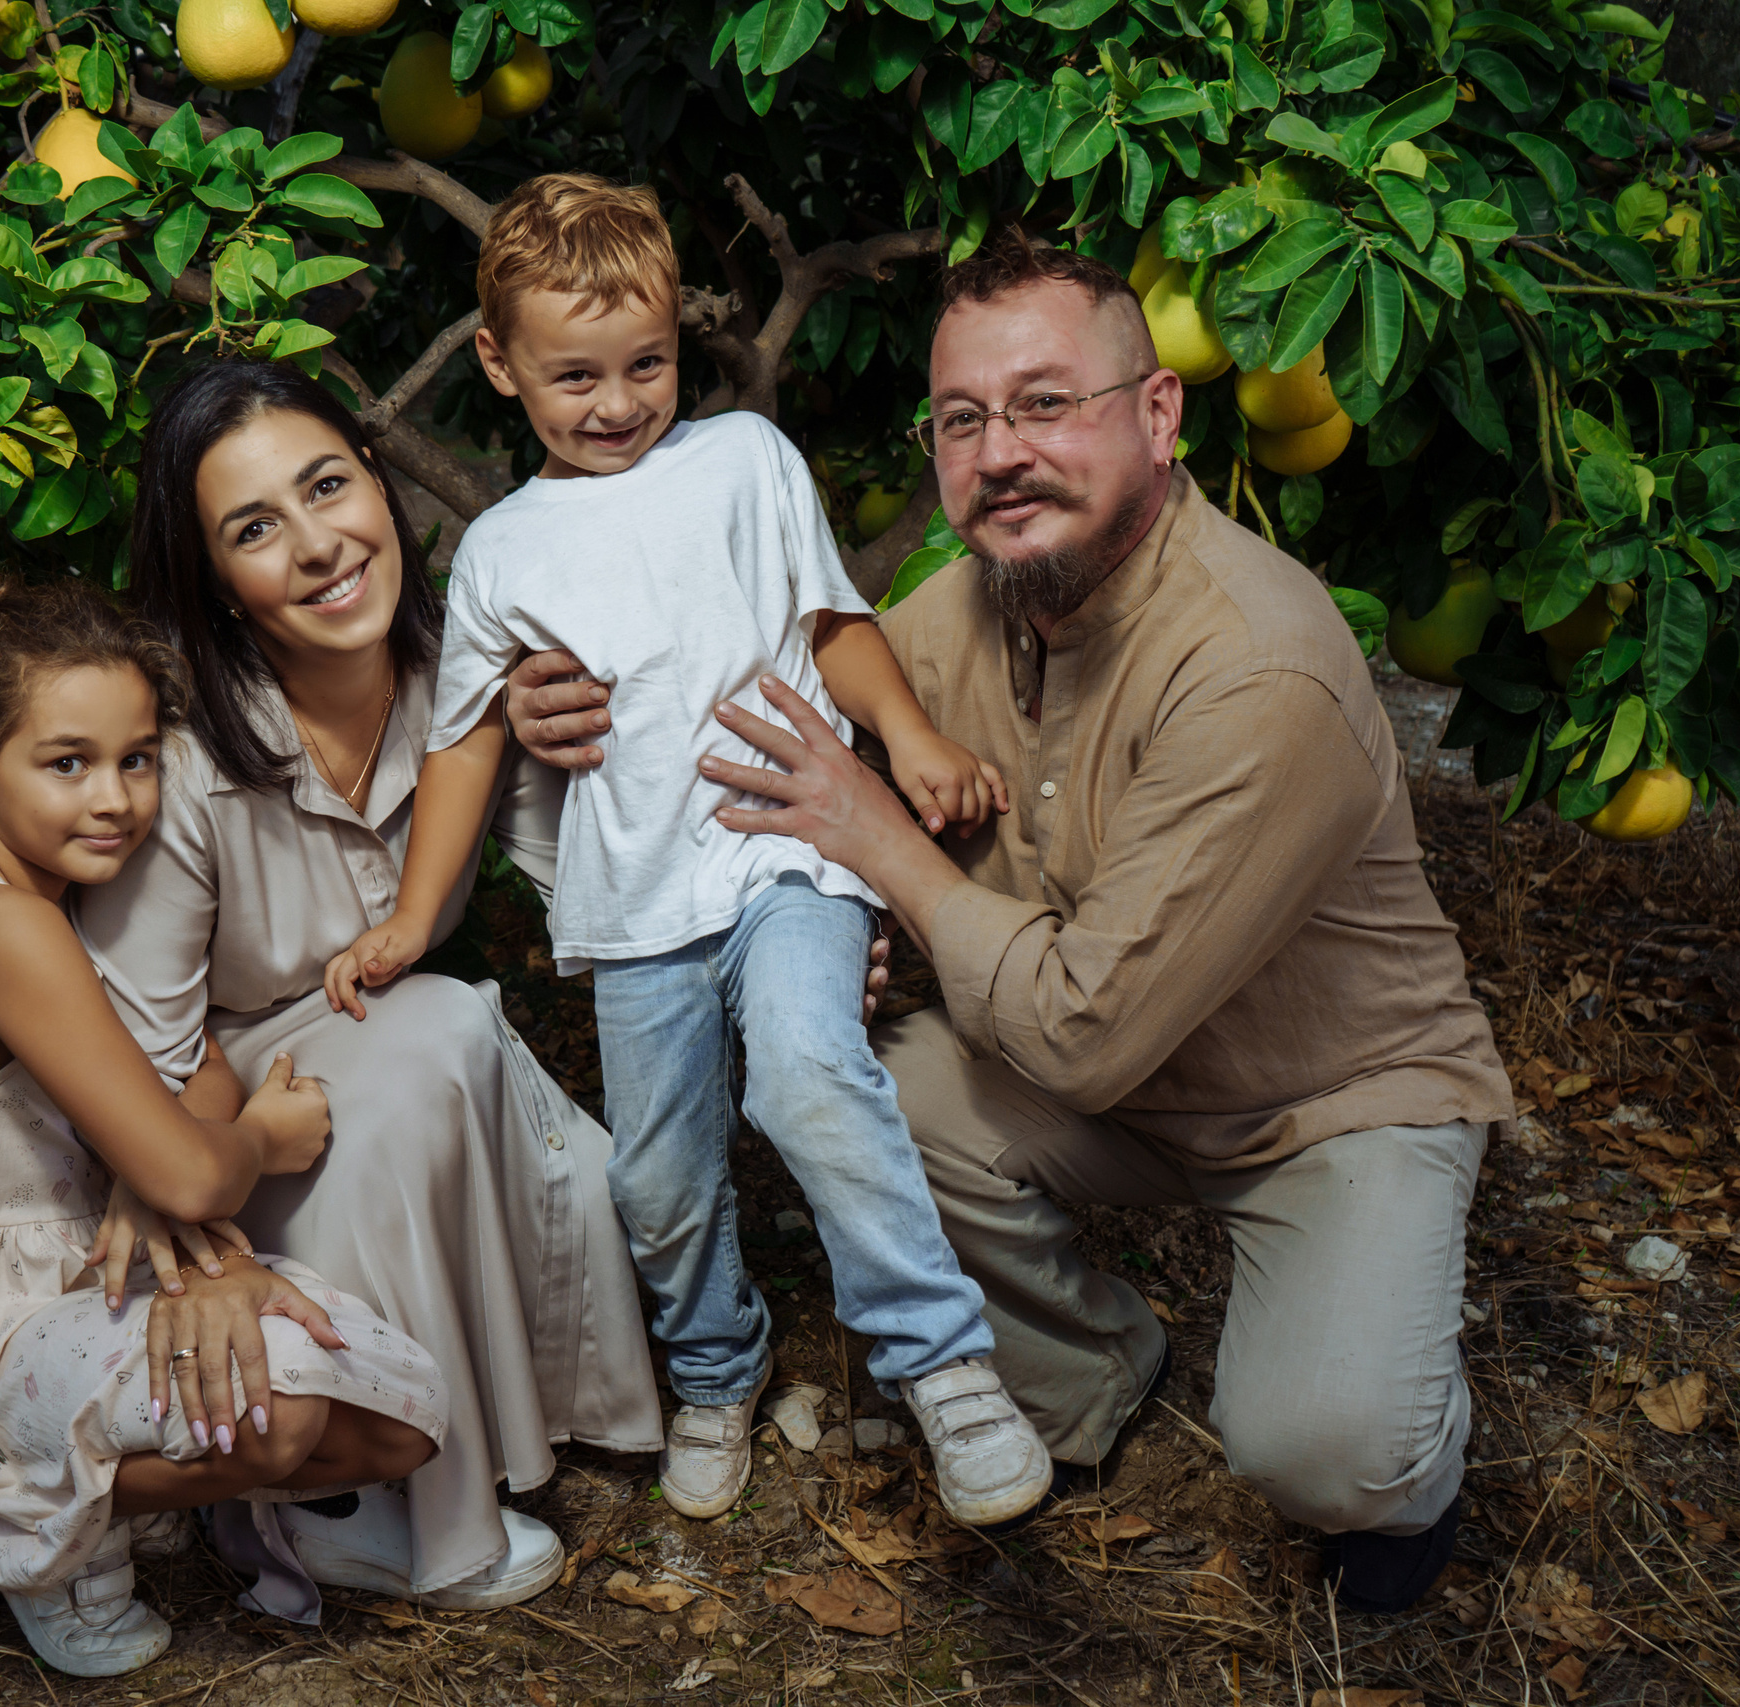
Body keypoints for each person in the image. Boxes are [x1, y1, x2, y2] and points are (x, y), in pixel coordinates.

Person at [508, 228, 1516, 1613]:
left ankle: (1404, 1467)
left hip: (1325, 1098)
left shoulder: (1257, 665)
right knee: (853, 1081)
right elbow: (730, 692)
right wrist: (546, 708)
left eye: (1048, 403)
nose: (1001, 452)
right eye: (965, 418)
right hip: (1099, 1078)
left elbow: (1084, 1029)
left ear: (1159, 417)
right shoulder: (962, 612)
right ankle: (1097, 1369)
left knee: (1326, 1448)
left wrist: (879, 850)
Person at [324, 173, 1053, 1530]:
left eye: (646, 364)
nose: (616, 403)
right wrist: (415, 918)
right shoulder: (499, 551)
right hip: (638, 904)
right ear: (497, 362)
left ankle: (943, 1361)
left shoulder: (743, 462)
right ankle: (718, 1362)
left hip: (786, 858)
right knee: (655, 1175)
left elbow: (835, 617)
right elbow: (468, 744)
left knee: (808, 1071)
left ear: (681, 342)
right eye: (575, 376)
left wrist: (910, 740)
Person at [72, 359, 667, 1611]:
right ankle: (341, 1512)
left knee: (492, 1081)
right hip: (204, 1099)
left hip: (388, 1066)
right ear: (216, 585)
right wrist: (204, 1238)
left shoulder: (466, 681)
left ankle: (475, 1443)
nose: (316, 546)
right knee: (430, 1039)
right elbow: (136, 1038)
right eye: (253, 529)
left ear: (381, 490)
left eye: (327, 486)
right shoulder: (179, 756)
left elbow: (612, 890)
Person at [0, 575, 444, 1679]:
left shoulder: (51, 903)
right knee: (282, 1419)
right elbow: (196, 1156)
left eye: (137, 759)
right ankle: (61, 1539)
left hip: (80, 1278)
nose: (113, 798)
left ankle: (123, 1476)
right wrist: (262, 1141)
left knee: (395, 1421)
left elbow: (192, 1071)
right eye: (65, 763)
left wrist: (156, 1171)